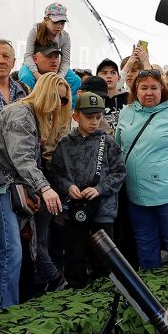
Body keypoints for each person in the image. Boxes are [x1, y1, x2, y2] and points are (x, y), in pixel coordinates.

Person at [0, 73, 68, 308]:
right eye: (55, 97)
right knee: (11, 252)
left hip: (8, 186)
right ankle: (5, 313)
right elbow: (22, 159)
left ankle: (9, 306)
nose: (58, 104)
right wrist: (44, 188)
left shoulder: (31, 115)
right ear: (42, 93)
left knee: (17, 251)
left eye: (63, 100)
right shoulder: (21, 114)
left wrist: (34, 189)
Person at [116, 69, 168, 269]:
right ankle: (152, 292)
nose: (149, 92)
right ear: (136, 89)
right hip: (136, 194)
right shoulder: (126, 113)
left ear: (162, 89)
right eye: (144, 88)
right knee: (145, 243)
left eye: (154, 87)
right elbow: (118, 148)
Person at [48, 90, 126, 288]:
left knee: (104, 259)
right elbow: (56, 173)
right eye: (89, 117)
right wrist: (69, 187)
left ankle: (104, 297)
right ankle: (77, 299)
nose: (94, 122)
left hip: (103, 210)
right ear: (75, 116)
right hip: (75, 211)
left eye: (98, 117)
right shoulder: (65, 143)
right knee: (75, 256)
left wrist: (100, 189)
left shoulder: (108, 141)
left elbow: (119, 172)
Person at [23, 2, 72, 76]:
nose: (59, 26)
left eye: (62, 23)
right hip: (32, 66)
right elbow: (28, 55)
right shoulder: (35, 30)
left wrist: (60, 77)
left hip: (53, 68)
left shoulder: (65, 36)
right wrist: (36, 74)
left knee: (75, 80)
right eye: (55, 22)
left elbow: (65, 61)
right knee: (26, 77)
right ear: (46, 20)